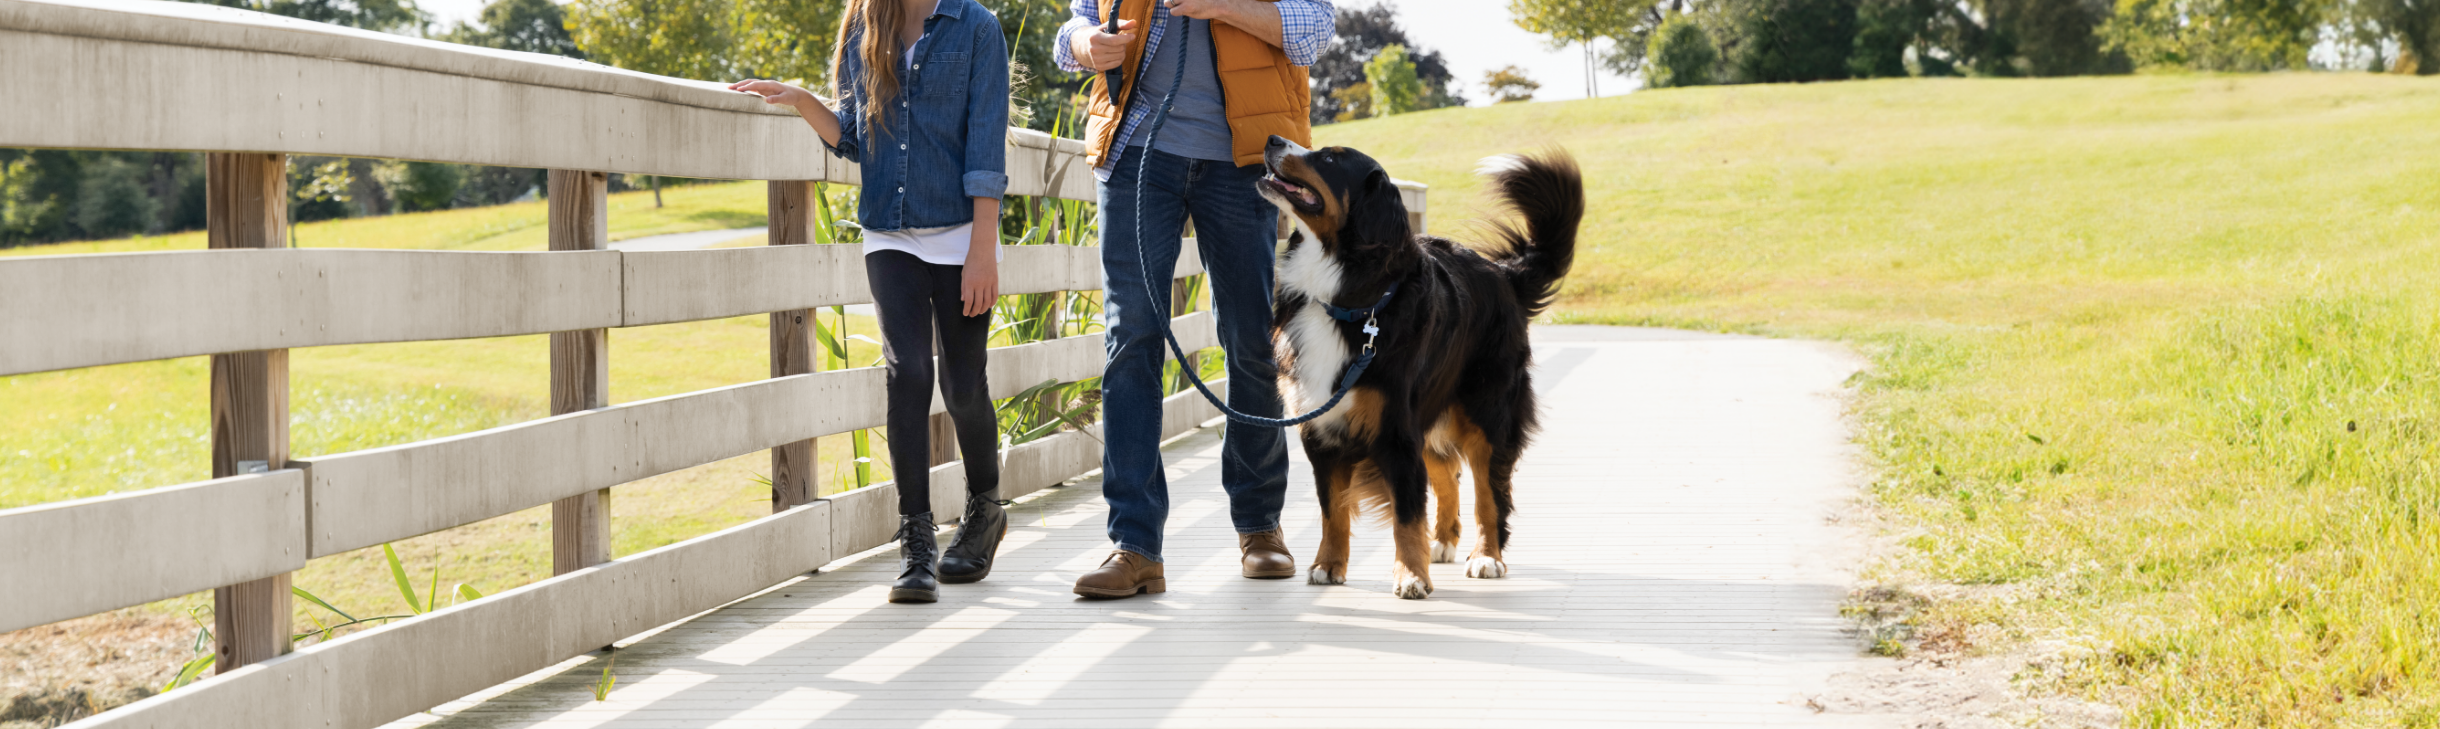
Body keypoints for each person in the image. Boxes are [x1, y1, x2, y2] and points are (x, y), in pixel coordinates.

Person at [730, 0, 1012, 605]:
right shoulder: (865, 23)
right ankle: (916, 543)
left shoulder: (977, 27)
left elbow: (987, 143)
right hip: (889, 231)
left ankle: (985, 512)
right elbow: (856, 138)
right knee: (907, 372)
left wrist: (983, 250)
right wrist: (806, 101)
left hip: (962, 233)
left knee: (964, 385)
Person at [1054, 0, 1336, 598]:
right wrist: (1085, 45)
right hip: (1136, 155)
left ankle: (1260, 528)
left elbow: (1315, 30)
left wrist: (1224, 7)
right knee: (1130, 338)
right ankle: (1134, 546)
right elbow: (1075, 24)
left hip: (1245, 162)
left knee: (1250, 340)